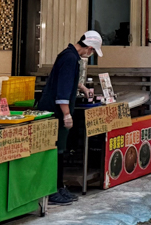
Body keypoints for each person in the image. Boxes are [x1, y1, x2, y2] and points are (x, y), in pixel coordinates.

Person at [37, 31, 103, 205]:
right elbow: (63, 90)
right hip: (55, 113)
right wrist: (67, 114)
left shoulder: (69, 55)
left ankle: (58, 187)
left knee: (60, 150)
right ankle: (52, 190)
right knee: (56, 151)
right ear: (89, 48)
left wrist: (81, 87)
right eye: (92, 52)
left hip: (55, 111)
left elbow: (68, 81)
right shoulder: (70, 59)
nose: (90, 54)